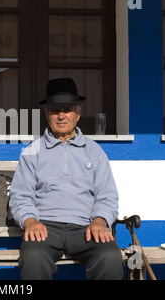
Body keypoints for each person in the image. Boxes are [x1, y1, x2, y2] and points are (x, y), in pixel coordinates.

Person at [8, 78, 123, 280]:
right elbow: (20, 196)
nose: (61, 116)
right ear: (47, 115)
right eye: (54, 110)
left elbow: (107, 195)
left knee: (110, 257)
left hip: (86, 227)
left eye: (67, 109)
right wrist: (31, 221)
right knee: (33, 258)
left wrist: (99, 221)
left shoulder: (95, 151)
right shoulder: (32, 152)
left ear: (77, 114)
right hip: (45, 227)